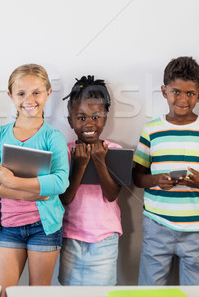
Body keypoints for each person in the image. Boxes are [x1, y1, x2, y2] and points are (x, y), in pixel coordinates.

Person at [0, 63, 69, 296]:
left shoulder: (53, 137)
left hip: (44, 228)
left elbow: (60, 182)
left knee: (36, 294)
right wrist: (31, 192)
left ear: (48, 93)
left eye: (37, 92)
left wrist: (12, 181)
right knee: (2, 292)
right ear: (10, 96)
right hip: (10, 227)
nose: (30, 99)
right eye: (21, 93)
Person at [133, 56, 199, 285]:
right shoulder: (151, 129)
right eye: (176, 92)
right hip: (157, 224)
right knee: (150, 289)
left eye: (190, 93)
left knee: (196, 290)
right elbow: (137, 176)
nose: (183, 99)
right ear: (164, 92)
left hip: (197, 228)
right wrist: (156, 180)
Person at [58, 75, 123, 286]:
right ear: (70, 120)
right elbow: (65, 198)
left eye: (96, 117)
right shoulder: (64, 152)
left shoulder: (114, 152)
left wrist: (99, 160)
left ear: (105, 118)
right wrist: (80, 165)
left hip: (105, 239)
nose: (89, 124)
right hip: (70, 236)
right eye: (81, 117)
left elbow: (112, 194)